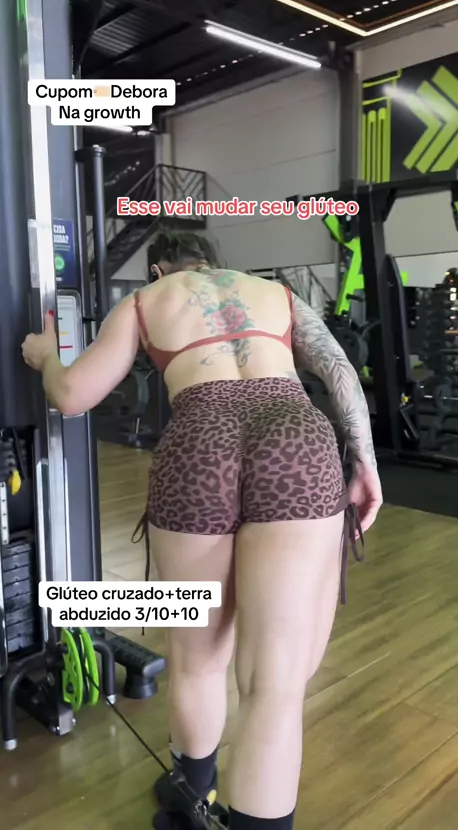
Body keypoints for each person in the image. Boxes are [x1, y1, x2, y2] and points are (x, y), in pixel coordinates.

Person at [22, 230, 382, 830]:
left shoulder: (145, 301)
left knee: (197, 660)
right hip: (294, 436)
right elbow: (340, 372)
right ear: (215, 262)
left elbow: (72, 395)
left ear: (159, 269)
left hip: (199, 443)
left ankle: (192, 796)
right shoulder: (274, 293)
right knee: (273, 684)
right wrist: (364, 461)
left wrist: (44, 357)